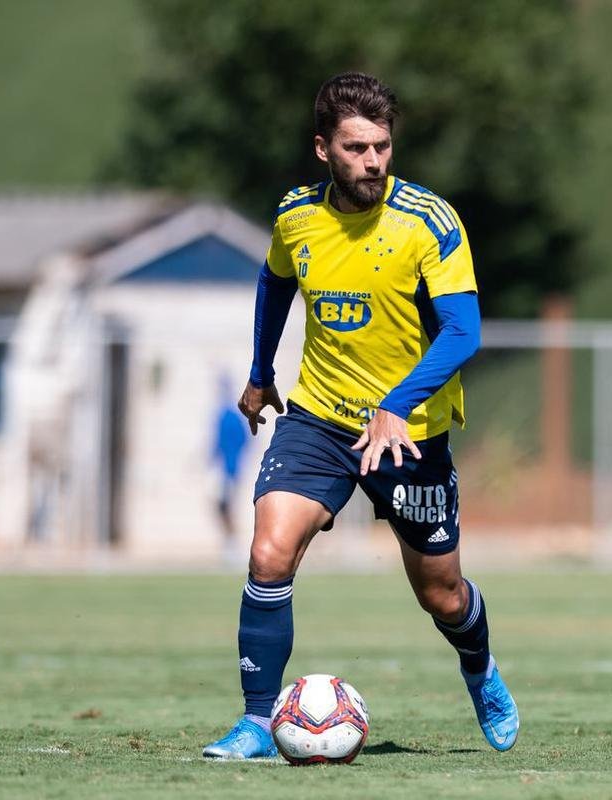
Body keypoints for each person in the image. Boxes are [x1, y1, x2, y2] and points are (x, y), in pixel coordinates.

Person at [202, 72, 519, 759]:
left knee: (441, 596)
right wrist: (260, 375)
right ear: (323, 150)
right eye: (355, 148)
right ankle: (258, 721)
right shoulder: (295, 214)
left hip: (410, 435)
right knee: (268, 551)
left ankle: (480, 669)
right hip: (317, 418)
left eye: (381, 146)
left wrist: (395, 406)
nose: (373, 161)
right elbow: (275, 281)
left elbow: (463, 333)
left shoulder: (428, 222)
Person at [211, 374, 249, 563]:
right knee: (222, 507)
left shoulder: (231, 416)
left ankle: (233, 546)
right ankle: (229, 543)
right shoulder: (224, 415)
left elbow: (244, 442)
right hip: (224, 469)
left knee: (227, 507)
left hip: (230, 469)